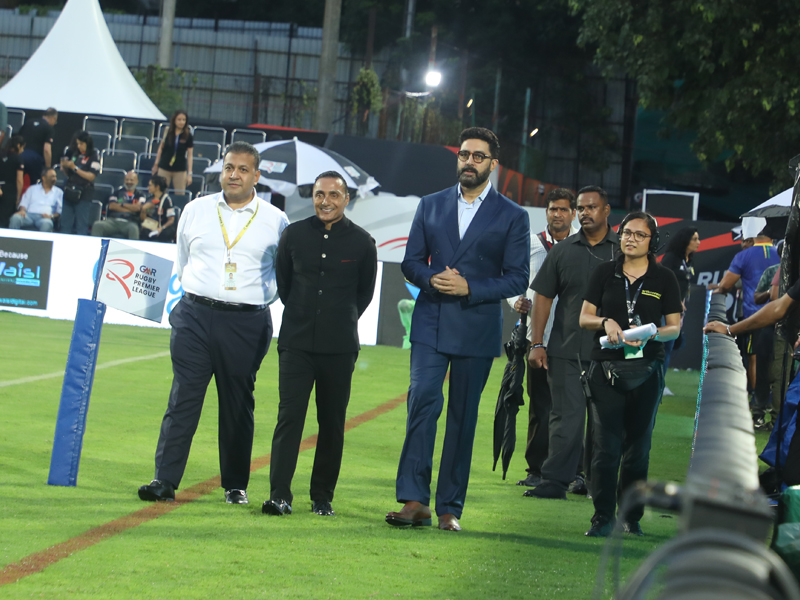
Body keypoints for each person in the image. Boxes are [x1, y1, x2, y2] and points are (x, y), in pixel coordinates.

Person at [385, 127, 530, 532]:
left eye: (478, 156)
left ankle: (450, 508)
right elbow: (411, 262)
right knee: (422, 402)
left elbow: (518, 278)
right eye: (464, 154)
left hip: (476, 327)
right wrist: (432, 279)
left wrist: (471, 287)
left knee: (463, 418)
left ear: (493, 164)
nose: (469, 161)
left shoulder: (513, 215)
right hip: (430, 322)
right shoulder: (430, 205)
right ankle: (414, 500)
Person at [137, 141, 289, 505]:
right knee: (183, 398)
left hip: (247, 322)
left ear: (256, 175)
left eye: (242, 169)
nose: (234, 175)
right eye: (228, 168)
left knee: (238, 404)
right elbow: (182, 260)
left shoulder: (276, 220)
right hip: (194, 315)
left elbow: (282, 274)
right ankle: (164, 479)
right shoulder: (195, 210)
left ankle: (235, 485)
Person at [262, 171, 378, 518]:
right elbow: (284, 285)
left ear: (346, 199)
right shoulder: (293, 235)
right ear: (312, 197)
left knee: (332, 423)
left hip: (340, 348)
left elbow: (364, 295)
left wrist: (335, 320)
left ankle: (322, 497)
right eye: (319, 194)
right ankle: (279, 496)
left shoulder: (363, 243)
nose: (325, 201)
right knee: (289, 419)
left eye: (333, 195)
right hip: (296, 344)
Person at [578, 211, 682, 537]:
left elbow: (674, 327)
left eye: (639, 235)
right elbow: (584, 317)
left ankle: (630, 516)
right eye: (626, 233)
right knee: (605, 448)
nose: (631, 239)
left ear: (653, 242)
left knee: (638, 450)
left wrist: (650, 334)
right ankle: (602, 518)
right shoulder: (604, 272)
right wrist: (605, 322)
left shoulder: (665, 278)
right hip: (605, 368)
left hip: (647, 369)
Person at [525, 186, 619, 500]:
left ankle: (597, 483)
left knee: (605, 423)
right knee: (564, 417)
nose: (585, 213)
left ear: (606, 210)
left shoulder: (623, 251)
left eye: (592, 207)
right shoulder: (563, 251)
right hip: (566, 349)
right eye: (581, 208)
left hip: (612, 352)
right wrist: (537, 343)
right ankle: (554, 482)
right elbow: (542, 297)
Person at [506, 188, 578, 488]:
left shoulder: (582, 246)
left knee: (574, 407)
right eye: (552, 209)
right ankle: (536, 470)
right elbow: (513, 279)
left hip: (574, 338)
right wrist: (515, 301)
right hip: (537, 337)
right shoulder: (531, 243)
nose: (557, 214)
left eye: (563, 209)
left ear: (573, 213)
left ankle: (575, 472)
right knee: (539, 406)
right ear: (546, 212)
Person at [712, 227, 779, 420]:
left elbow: (726, 284)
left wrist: (719, 289)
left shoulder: (744, 255)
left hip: (754, 317)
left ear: (752, 236)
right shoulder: (782, 253)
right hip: (781, 317)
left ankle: (757, 404)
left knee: (755, 359)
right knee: (779, 362)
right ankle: (774, 406)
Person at [659, 227, 700, 392]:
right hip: (664, 309)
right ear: (685, 240)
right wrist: (674, 300)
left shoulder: (688, 260)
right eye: (694, 239)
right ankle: (656, 383)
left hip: (677, 310)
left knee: (669, 346)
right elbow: (661, 281)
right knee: (662, 346)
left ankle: (661, 383)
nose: (698, 242)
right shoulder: (671, 258)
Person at [59, 131, 99, 235]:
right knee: (65, 223)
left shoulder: (94, 156)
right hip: (70, 190)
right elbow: (69, 174)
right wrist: (64, 167)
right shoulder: (74, 154)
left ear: (87, 143)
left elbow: (91, 176)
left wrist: (74, 168)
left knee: (81, 224)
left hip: (84, 193)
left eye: (81, 144)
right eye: (77, 143)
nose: (79, 146)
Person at [90, 171, 145, 240]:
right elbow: (112, 206)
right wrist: (130, 208)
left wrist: (121, 205)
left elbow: (138, 208)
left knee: (134, 229)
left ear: (136, 181)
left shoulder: (140, 195)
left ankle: (132, 248)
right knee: (97, 225)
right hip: (113, 221)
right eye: (127, 180)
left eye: (131, 180)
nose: (129, 182)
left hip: (130, 222)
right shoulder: (117, 192)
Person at [9, 167, 62, 232]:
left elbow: (59, 211)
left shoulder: (59, 192)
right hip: (28, 215)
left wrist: (52, 216)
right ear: (43, 178)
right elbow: (24, 203)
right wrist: (22, 210)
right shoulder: (32, 189)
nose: (55, 179)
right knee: (15, 218)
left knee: (47, 224)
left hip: (44, 218)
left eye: (55, 176)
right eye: (52, 177)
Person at [152, 110, 193, 192]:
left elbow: (190, 155)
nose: (181, 122)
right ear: (174, 120)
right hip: (164, 166)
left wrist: (190, 173)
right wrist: (156, 164)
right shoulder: (168, 132)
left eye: (183, 120)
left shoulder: (188, 135)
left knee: (180, 192)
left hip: (180, 169)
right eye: (179, 119)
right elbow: (161, 148)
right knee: (160, 191)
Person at [139, 175, 176, 243]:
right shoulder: (149, 199)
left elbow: (171, 220)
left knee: (165, 234)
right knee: (143, 232)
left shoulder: (167, 200)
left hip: (163, 227)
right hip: (150, 226)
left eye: (150, 185)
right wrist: (144, 210)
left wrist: (161, 228)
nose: (148, 187)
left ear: (157, 187)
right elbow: (143, 219)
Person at [0, 135, 25, 227]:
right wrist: (18, 197)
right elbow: (19, 180)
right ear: (18, 145)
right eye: (22, 147)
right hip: (9, 191)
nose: (23, 150)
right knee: (5, 219)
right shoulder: (18, 159)